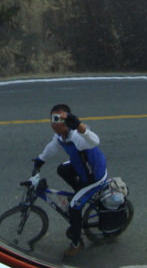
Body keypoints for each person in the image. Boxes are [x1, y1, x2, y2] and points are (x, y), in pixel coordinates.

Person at [33, 103, 108, 257]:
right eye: (52, 119)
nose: (54, 123)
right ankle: (80, 194)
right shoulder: (60, 136)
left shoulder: (77, 136)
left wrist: (80, 126)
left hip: (94, 176)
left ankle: (76, 243)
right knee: (62, 169)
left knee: (74, 207)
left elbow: (94, 141)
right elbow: (52, 147)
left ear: (67, 120)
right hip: (81, 166)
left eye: (58, 119)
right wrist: (40, 159)